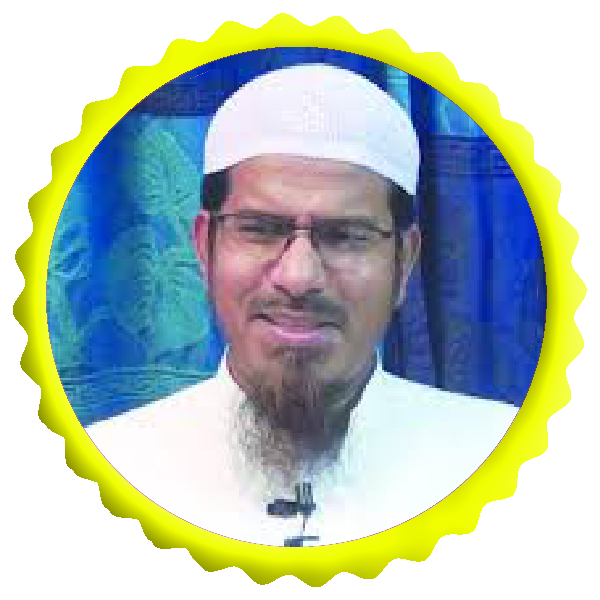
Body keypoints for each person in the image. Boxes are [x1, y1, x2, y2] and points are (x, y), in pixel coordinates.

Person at [86, 64, 518, 547]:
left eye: (346, 236)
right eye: (260, 229)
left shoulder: (507, 462)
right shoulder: (104, 471)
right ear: (205, 248)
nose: (299, 277)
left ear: (404, 261)